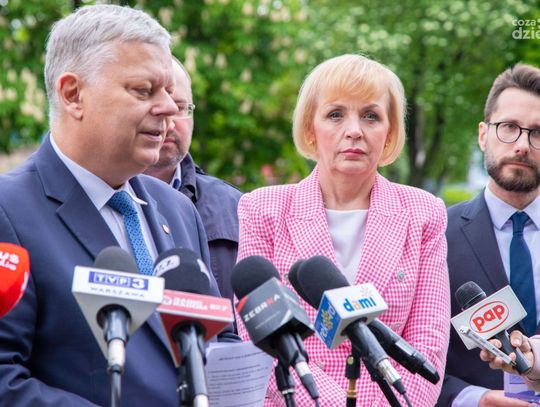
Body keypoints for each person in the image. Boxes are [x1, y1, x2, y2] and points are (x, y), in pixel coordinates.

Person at [0, 5, 236, 406]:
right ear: (73, 94)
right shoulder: (9, 211)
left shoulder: (178, 210)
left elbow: (214, 338)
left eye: (169, 92)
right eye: (144, 91)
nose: (168, 108)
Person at [236, 54, 450, 406]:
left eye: (371, 116)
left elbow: (428, 342)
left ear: (390, 132)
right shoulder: (263, 209)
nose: (354, 130)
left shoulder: (423, 213)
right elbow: (259, 337)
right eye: (335, 114)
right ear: (310, 128)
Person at [437, 63, 540, 407]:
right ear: (483, 134)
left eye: (538, 132)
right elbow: (414, 352)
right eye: (509, 127)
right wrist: (474, 399)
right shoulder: (437, 234)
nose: (522, 145)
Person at [144, 59, 242, 302]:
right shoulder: (104, 197)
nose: (169, 121)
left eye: (180, 108)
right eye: (156, 106)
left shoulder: (236, 208)